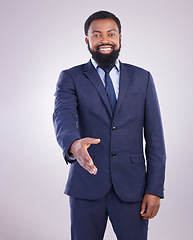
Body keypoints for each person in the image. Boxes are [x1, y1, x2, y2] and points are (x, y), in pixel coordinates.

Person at [53, 10, 166, 240]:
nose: (104, 40)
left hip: (132, 188)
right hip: (86, 185)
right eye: (97, 35)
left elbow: (155, 138)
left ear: (120, 38)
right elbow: (62, 116)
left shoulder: (142, 78)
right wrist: (74, 145)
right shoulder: (71, 77)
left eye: (111, 34)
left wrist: (154, 189)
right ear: (88, 40)